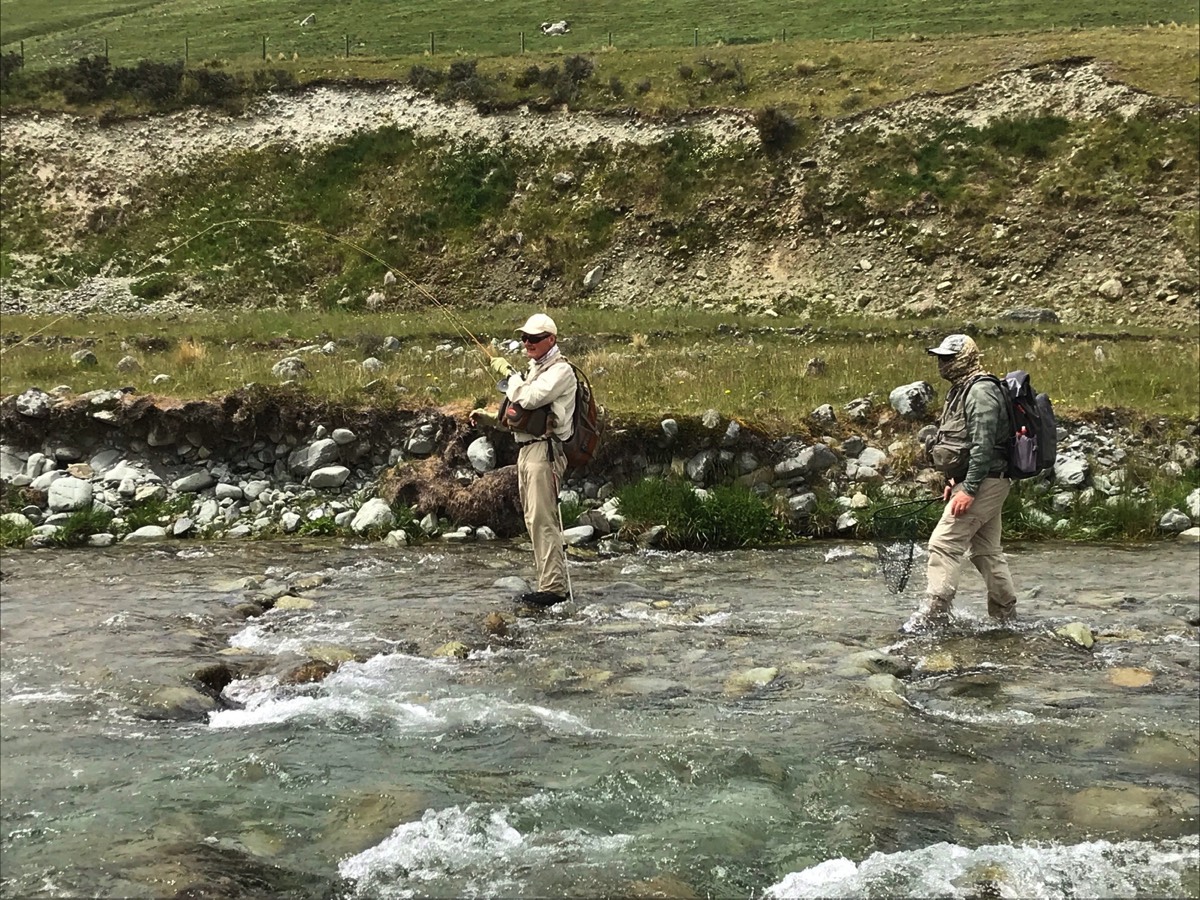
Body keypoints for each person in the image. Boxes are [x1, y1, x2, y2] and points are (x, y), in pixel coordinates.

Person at [901, 333, 1018, 633]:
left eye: (948, 358)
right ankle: (1006, 619)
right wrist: (956, 479)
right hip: (984, 480)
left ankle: (934, 618)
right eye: (940, 358)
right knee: (987, 552)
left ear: (965, 358)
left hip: (987, 482)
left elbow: (983, 444)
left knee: (943, 544)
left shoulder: (980, 392)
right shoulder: (962, 389)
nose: (942, 364)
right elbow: (964, 444)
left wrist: (970, 487)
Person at [471, 313, 577, 607]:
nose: (527, 343)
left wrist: (510, 376)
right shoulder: (535, 369)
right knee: (533, 519)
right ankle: (548, 583)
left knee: (544, 519)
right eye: (524, 338)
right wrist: (490, 418)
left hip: (545, 452)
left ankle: (554, 588)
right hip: (527, 451)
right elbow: (521, 415)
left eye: (534, 338)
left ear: (551, 340)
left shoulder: (561, 372)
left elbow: (530, 399)